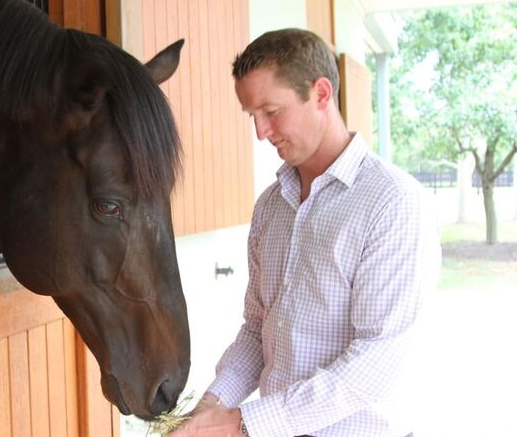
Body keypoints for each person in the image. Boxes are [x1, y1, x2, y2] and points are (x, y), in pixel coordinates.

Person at [168, 28, 440, 437]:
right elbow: (258, 330)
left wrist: (239, 424)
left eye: (271, 111)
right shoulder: (270, 207)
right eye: (252, 116)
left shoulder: (393, 203)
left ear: (322, 94)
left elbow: (375, 361)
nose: (260, 132)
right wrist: (211, 405)